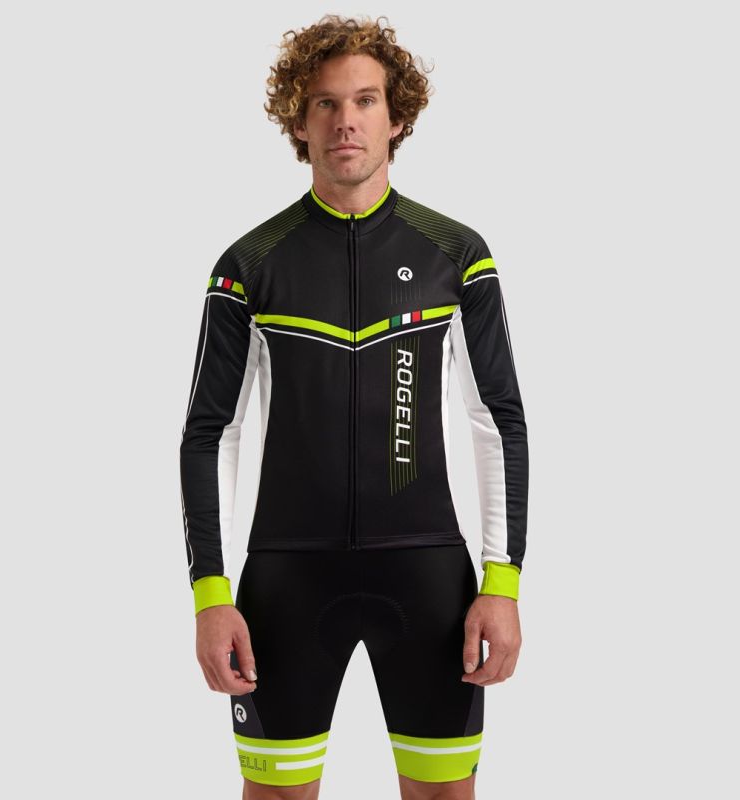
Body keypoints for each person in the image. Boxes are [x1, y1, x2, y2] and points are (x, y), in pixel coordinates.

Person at [179, 14, 529, 800]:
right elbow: (209, 434)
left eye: (366, 100)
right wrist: (210, 595)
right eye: (326, 103)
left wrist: (502, 584)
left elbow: (497, 420)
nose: (346, 120)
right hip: (286, 581)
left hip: (429, 577)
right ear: (299, 122)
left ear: (396, 117)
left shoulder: (456, 254)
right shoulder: (249, 264)